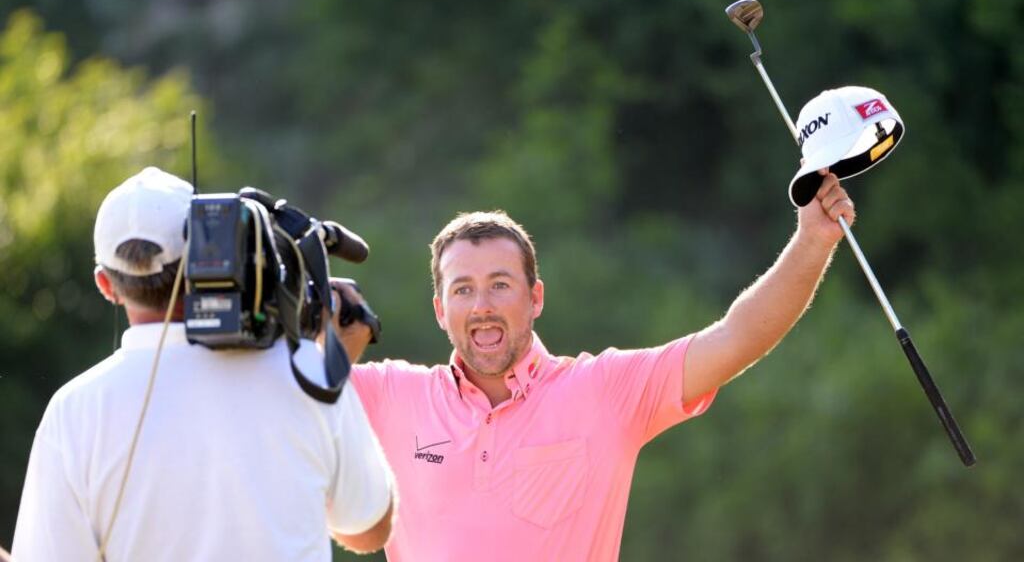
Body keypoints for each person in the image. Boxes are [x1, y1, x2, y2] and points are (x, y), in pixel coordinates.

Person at [332, 169, 855, 561]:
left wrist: (812, 239)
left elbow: (736, 338)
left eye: (500, 284)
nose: (482, 305)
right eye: (463, 290)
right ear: (440, 310)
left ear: (535, 298)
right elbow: (291, 392)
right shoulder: (391, 395)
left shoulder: (603, 389)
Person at [12, 167, 395, 561]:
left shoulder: (73, 411)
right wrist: (333, 361)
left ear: (106, 285)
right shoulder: (308, 372)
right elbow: (369, 528)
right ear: (209, 255)